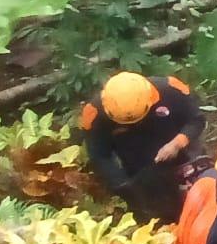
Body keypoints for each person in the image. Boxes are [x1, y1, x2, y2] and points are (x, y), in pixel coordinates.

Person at [79, 71, 208, 221]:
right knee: (160, 217)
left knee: (203, 205)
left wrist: (177, 144)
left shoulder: (170, 90)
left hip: (184, 153)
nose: (135, 124)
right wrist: (123, 185)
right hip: (142, 169)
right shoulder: (94, 114)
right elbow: (100, 155)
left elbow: (196, 120)